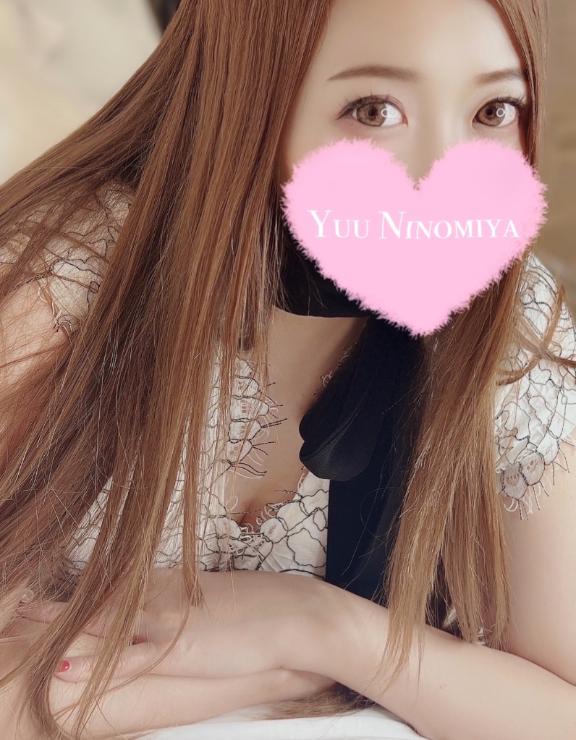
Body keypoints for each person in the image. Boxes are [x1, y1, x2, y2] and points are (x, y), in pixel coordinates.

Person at [1, 0, 575, 738]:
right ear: (249, 99)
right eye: (374, 110)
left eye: (493, 110)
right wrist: (292, 677)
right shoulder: (63, 283)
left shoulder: (506, 319)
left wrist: (316, 628)